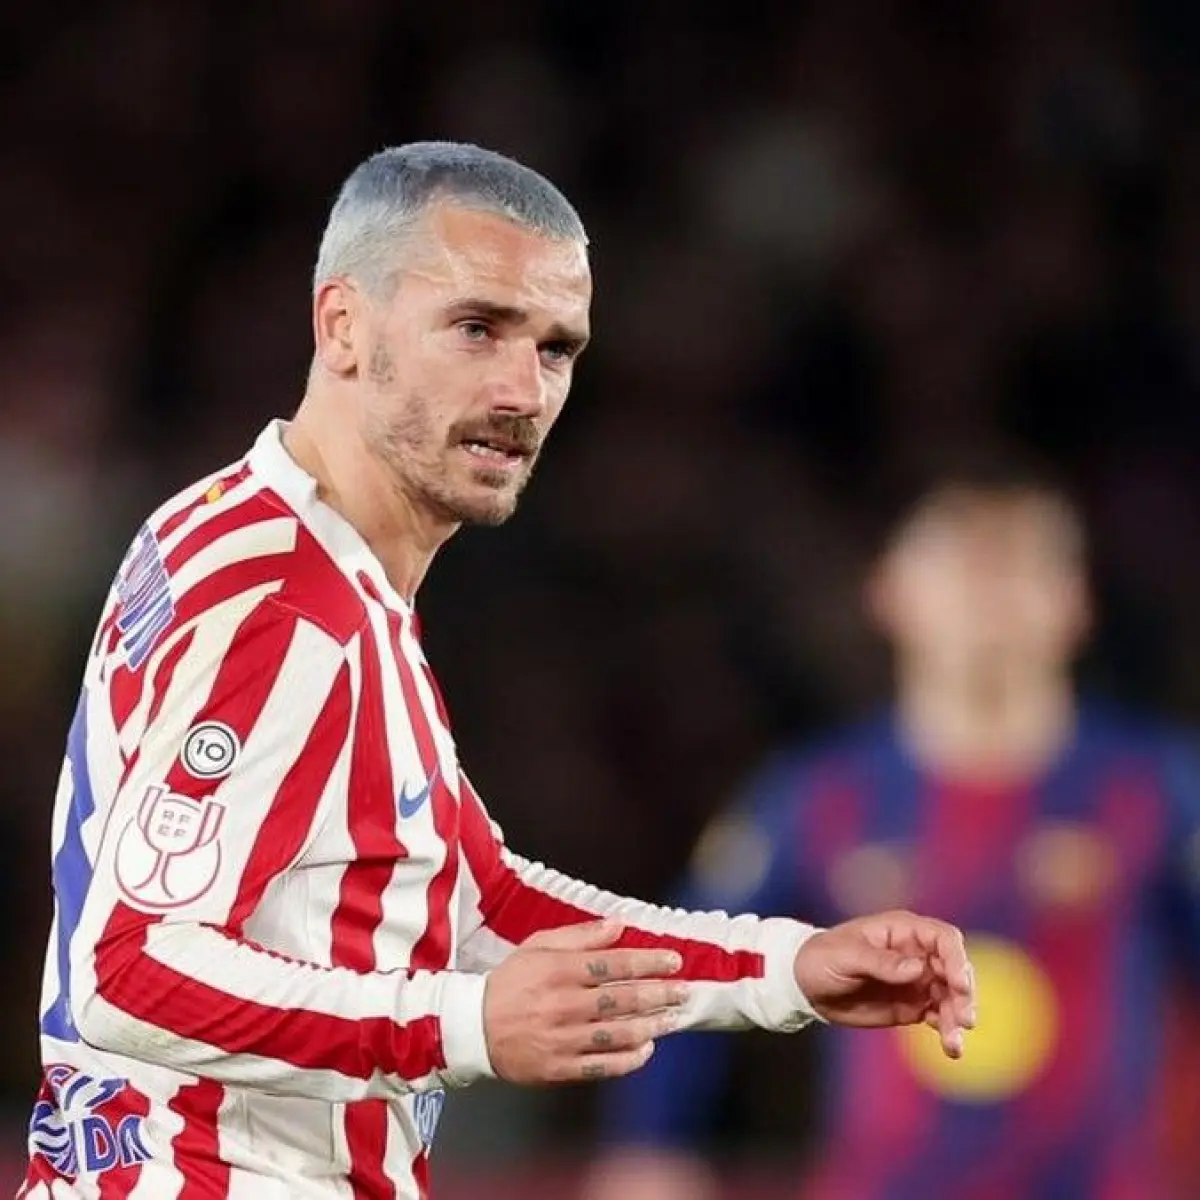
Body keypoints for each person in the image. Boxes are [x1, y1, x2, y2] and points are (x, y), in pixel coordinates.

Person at [20, 142, 974, 1200]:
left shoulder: (275, 544)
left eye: (557, 348)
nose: (524, 389)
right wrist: (461, 1022)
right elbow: (129, 972)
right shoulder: (293, 607)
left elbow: (477, 897)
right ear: (342, 325)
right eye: (477, 328)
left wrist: (785, 969)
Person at [584, 451, 1200, 1200]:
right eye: (962, 561)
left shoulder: (1158, 789)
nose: (990, 591)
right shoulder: (818, 797)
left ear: (1077, 601)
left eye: (1022, 562)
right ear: (888, 591)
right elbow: (684, 965)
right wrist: (649, 1149)